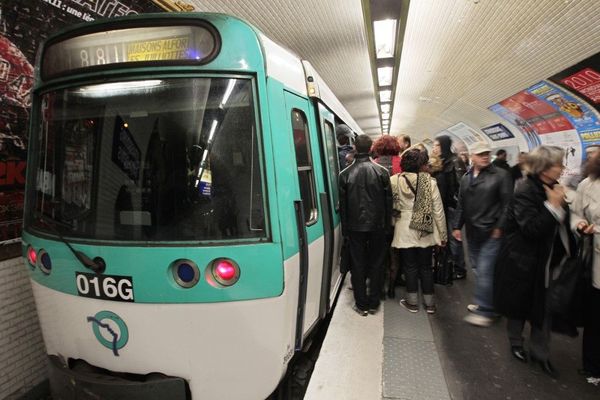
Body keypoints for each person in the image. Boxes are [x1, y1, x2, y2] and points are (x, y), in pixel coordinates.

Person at [494, 145, 574, 379]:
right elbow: (531, 229)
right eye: (558, 164)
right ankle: (516, 343)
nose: (562, 168)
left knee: (544, 307)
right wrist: (553, 206)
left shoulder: (554, 188)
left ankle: (541, 353)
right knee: (520, 304)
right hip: (524, 260)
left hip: (549, 261)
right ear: (545, 167)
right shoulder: (526, 190)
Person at [452, 141, 513, 326]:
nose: (485, 156)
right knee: (479, 268)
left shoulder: (501, 175)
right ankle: (491, 303)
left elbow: (508, 205)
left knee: (485, 269)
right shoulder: (466, 177)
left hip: (491, 231)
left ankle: (486, 310)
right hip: (472, 231)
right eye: (480, 154)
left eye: (487, 153)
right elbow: (461, 204)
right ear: (472, 157)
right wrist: (457, 226)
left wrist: (499, 227)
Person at [339, 134, 392, 316]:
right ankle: (374, 302)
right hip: (377, 226)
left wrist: (345, 230)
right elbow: (388, 204)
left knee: (358, 264)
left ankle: (361, 304)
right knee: (377, 264)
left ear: (355, 147)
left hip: (354, 228)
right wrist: (387, 227)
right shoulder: (382, 172)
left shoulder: (344, 174)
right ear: (371, 148)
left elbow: (344, 207)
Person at [391, 148, 447, 314]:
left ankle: (412, 302)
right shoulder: (428, 182)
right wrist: (443, 235)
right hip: (424, 226)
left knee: (409, 266)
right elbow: (438, 211)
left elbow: (393, 206)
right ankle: (430, 304)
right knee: (425, 266)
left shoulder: (394, 180)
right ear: (422, 165)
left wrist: (393, 223)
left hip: (404, 227)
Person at [570, 147, 600, 386]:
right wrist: (580, 223)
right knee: (596, 316)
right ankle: (592, 366)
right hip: (597, 261)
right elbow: (575, 213)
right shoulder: (587, 185)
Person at [432, 135, 467, 280]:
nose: (434, 148)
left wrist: (457, 202)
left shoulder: (455, 161)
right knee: (444, 236)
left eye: (437, 145)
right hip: (442, 205)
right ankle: (449, 264)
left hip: (452, 206)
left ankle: (459, 268)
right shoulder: (441, 162)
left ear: (444, 146)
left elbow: (462, 185)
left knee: (454, 238)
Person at [371, 135, 403, 297]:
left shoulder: (374, 165)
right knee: (395, 252)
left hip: (378, 216)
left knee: (379, 252)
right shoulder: (402, 164)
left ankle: (380, 285)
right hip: (398, 215)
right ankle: (392, 287)